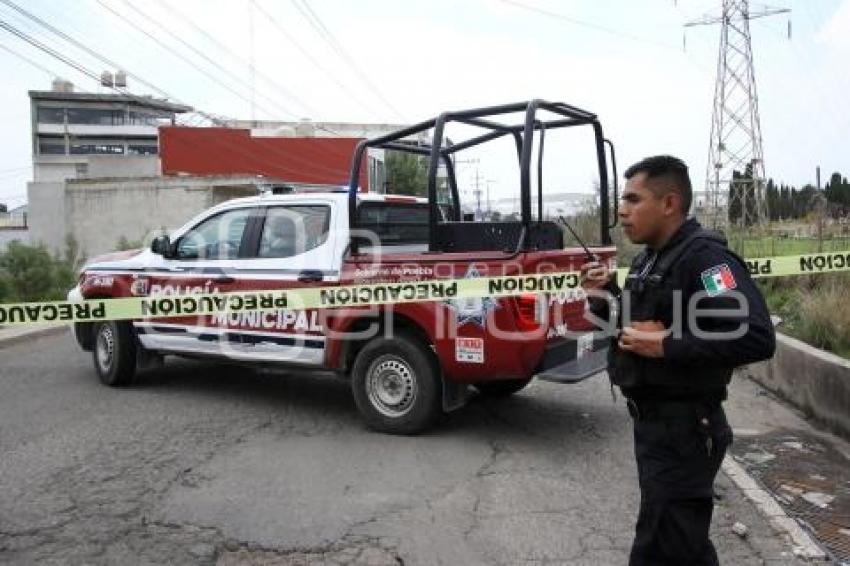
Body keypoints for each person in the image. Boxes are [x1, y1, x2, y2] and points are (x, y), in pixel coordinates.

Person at [580, 155, 775, 565]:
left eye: (634, 199)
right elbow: (627, 328)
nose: (621, 210)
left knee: (661, 548)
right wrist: (604, 295)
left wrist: (668, 345)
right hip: (655, 426)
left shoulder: (704, 260)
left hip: (684, 429)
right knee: (680, 544)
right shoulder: (649, 258)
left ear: (669, 203)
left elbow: (756, 334)